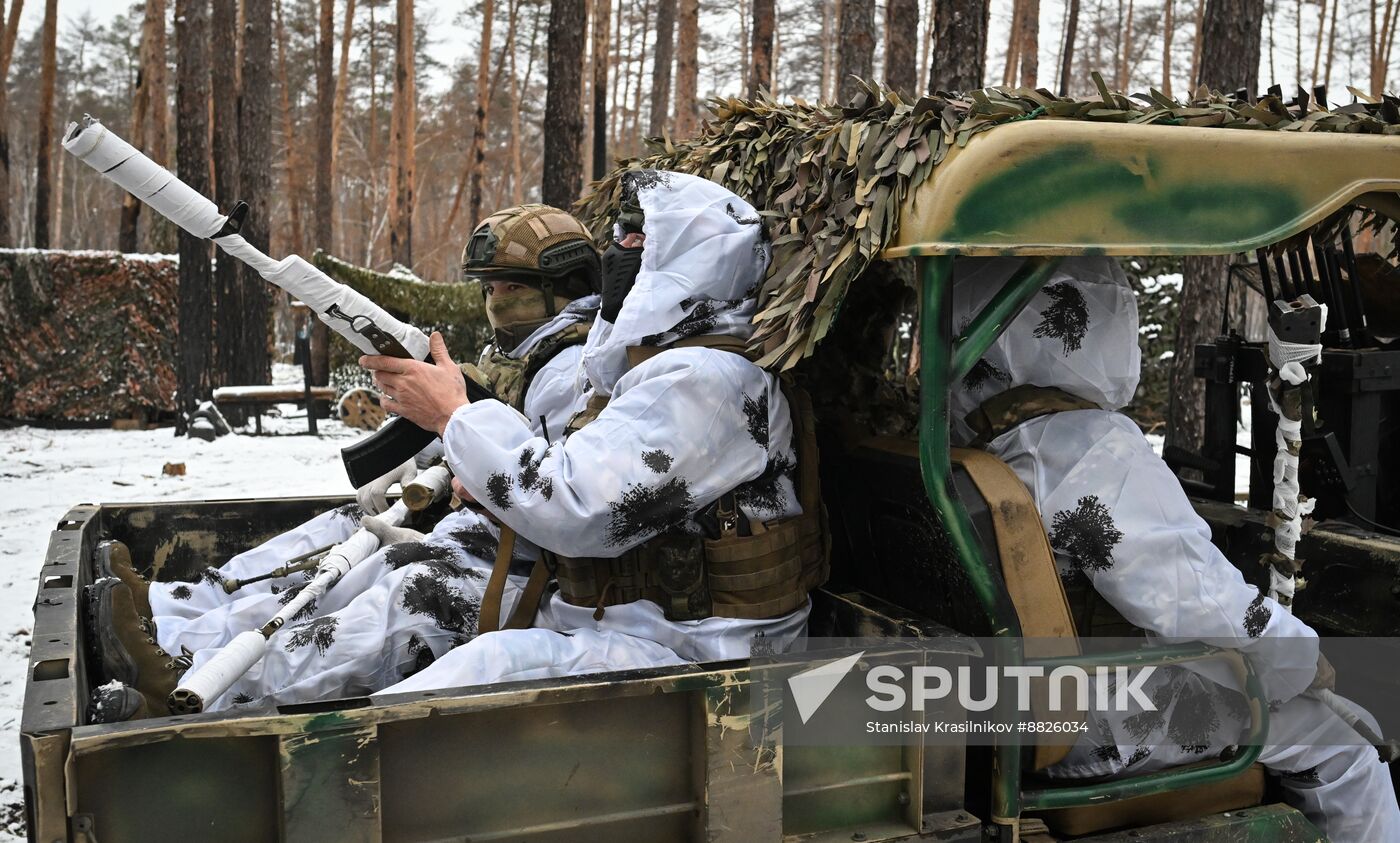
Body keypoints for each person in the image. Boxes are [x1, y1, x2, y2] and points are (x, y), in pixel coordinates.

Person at [88, 205, 601, 719]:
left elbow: (547, 485)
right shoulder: (520, 358)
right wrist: (426, 447)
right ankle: (174, 617)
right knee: (340, 549)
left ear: (567, 285)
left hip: (522, 564)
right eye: (489, 288)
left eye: (513, 288)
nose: (496, 301)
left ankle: (195, 687)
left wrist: (457, 447)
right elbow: (490, 429)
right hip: (477, 536)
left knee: (399, 605)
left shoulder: (577, 372)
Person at [950, 256, 1400, 842]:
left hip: (1012, 711)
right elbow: (1188, 594)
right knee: (1349, 747)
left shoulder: (982, 437)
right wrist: (1297, 659)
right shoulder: (1086, 449)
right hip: (1102, 720)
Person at [363, 169, 827, 696]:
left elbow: (578, 505)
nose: (620, 251)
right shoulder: (653, 369)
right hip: (628, 623)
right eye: (620, 236)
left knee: (465, 679)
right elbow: (569, 457)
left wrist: (453, 416)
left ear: (697, 258)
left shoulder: (709, 381)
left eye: (639, 238)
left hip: (705, 651)